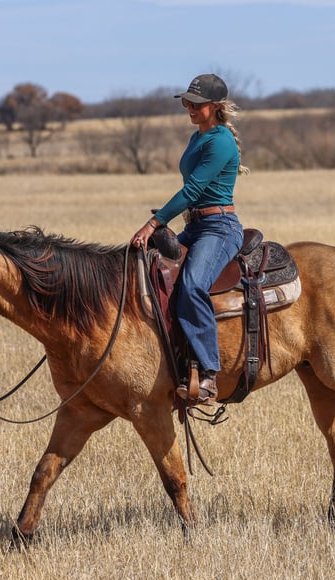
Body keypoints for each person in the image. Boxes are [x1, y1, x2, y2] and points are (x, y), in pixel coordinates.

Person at [131, 73, 248, 404]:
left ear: (215, 106)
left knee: (193, 285)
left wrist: (154, 223)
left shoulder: (220, 141)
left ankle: (209, 374)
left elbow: (193, 190)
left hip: (219, 228)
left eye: (196, 104)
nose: (190, 109)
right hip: (196, 226)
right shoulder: (198, 137)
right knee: (156, 273)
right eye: (186, 103)